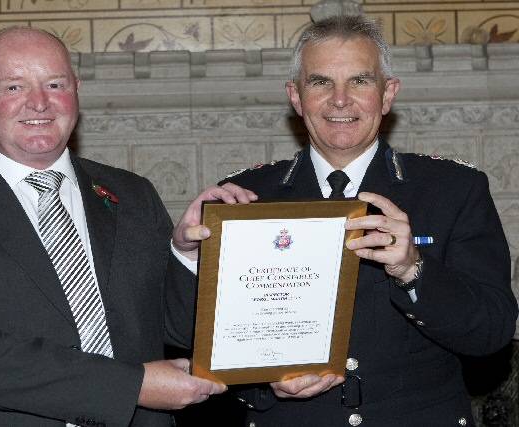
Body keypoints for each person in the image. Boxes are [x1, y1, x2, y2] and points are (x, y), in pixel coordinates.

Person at [0, 27, 257, 427]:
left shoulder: (131, 194)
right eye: (13, 87)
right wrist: (131, 386)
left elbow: (176, 328)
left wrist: (187, 254)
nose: (39, 103)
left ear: (76, 90)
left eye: (55, 84)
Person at [178, 15, 518, 426]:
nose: (340, 100)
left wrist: (413, 269)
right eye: (320, 82)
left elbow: (492, 332)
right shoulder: (246, 197)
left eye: (360, 81)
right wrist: (262, 383)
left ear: (388, 94)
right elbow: (198, 334)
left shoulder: (452, 190)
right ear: (296, 97)